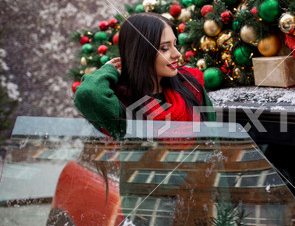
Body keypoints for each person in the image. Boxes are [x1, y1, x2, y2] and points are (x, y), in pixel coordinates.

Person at [74, 12, 215, 139]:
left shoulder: (189, 83)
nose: (177, 54)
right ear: (141, 53)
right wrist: (109, 70)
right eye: (165, 48)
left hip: (199, 167)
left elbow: (213, 144)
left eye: (175, 45)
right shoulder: (122, 102)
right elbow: (87, 93)